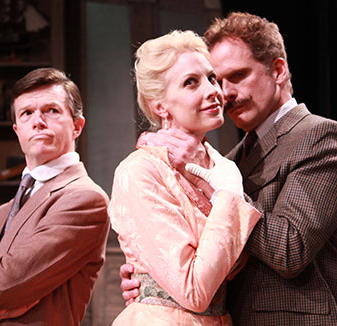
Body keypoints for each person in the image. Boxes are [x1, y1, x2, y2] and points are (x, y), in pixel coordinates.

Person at [120, 12, 337, 325]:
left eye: (237, 76)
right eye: (216, 79)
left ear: (277, 70)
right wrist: (150, 276)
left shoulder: (320, 136)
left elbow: (291, 248)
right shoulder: (230, 159)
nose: (223, 93)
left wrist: (222, 189)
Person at [109, 30, 261, 325]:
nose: (212, 91)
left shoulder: (221, 166)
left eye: (211, 78)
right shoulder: (140, 172)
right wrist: (229, 191)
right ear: (160, 105)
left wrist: (227, 184)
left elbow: (235, 268)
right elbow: (194, 291)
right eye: (191, 82)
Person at [0, 68, 110, 325]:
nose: (38, 121)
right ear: (17, 130)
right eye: (27, 113)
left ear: (77, 125)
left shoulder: (86, 199)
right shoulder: (1, 213)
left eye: (51, 110)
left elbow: (5, 284)